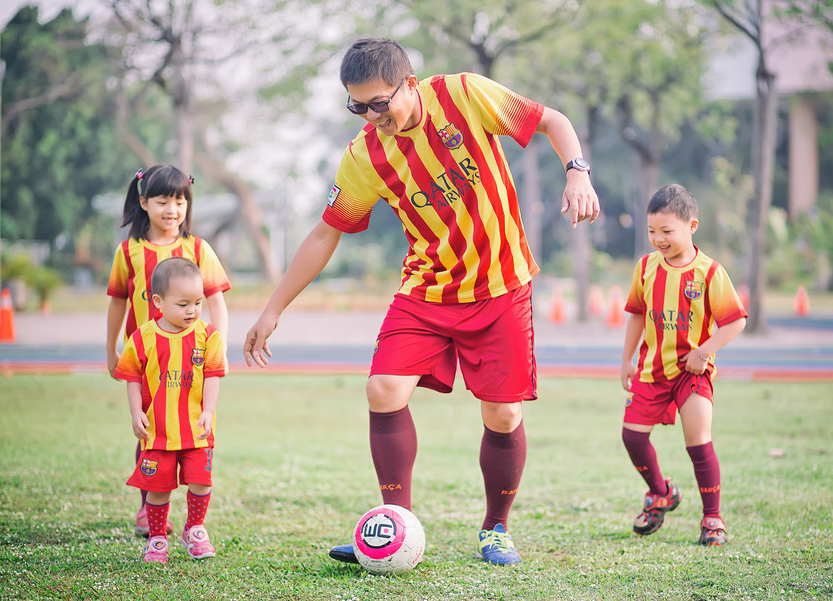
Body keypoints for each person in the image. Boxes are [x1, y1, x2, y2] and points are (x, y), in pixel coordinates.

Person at [243, 37, 599, 566]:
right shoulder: (364, 156)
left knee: (502, 414)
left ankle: (495, 529)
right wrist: (273, 308)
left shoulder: (463, 94)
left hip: (501, 285)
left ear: (410, 85)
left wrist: (577, 171)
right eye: (357, 106)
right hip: (427, 289)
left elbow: (553, 120)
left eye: (379, 103)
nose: (370, 116)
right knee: (383, 389)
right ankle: (395, 526)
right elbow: (325, 234)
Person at [105, 164, 231, 537]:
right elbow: (117, 303)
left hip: (193, 361)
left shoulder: (198, 248)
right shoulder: (128, 252)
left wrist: (218, 347)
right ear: (144, 202)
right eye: (163, 201)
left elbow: (216, 301)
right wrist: (112, 349)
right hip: (147, 363)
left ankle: (193, 514)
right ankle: (148, 507)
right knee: (147, 431)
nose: (172, 209)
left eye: (180, 201)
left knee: (194, 429)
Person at [619, 183, 747, 546]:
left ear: (691, 227)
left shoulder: (709, 272)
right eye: (652, 231)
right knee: (631, 435)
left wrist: (704, 351)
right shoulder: (645, 268)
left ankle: (712, 519)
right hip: (651, 370)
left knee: (698, 441)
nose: (658, 239)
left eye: (667, 231)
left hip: (692, 373)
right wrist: (626, 360)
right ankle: (661, 493)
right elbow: (635, 315)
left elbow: (736, 321)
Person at [114, 257, 226, 563]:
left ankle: (195, 529)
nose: (192, 311)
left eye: (198, 302)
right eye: (183, 304)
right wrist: (136, 411)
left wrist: (209, 410)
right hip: (158, 432)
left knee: (202, 481)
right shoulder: (143, 338)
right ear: (159, 302)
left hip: (196, 429)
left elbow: (214, 375)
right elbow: (133, 377)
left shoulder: (208, 335)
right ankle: (158, 538)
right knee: (158, 489)